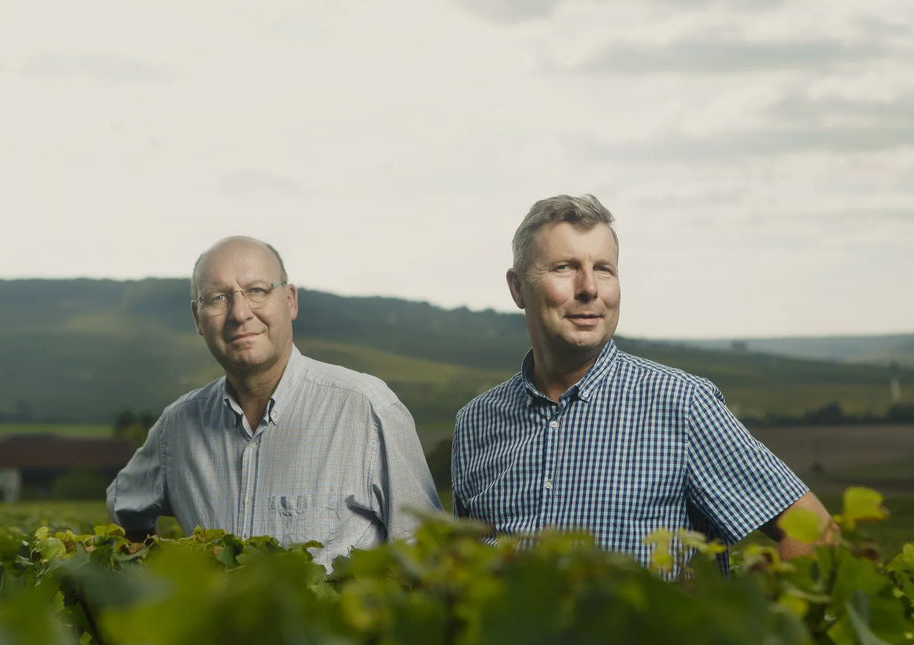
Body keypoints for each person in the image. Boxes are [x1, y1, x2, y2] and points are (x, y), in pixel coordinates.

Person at [451, 194, 835, 573]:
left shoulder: (681, 405)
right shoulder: (476, 423)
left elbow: (815, 533)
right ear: (518, 288)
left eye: (604, 269)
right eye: (565, 267)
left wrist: (768, 631)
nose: (589, 288)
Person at [107, 236, 441, 568]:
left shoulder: (367, 409)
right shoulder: (176, 426)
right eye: (217, 298)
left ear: (290, 300)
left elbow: (426, 556)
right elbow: (123, 505)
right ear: (198, 317)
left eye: (257, 291)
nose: (239, 313)